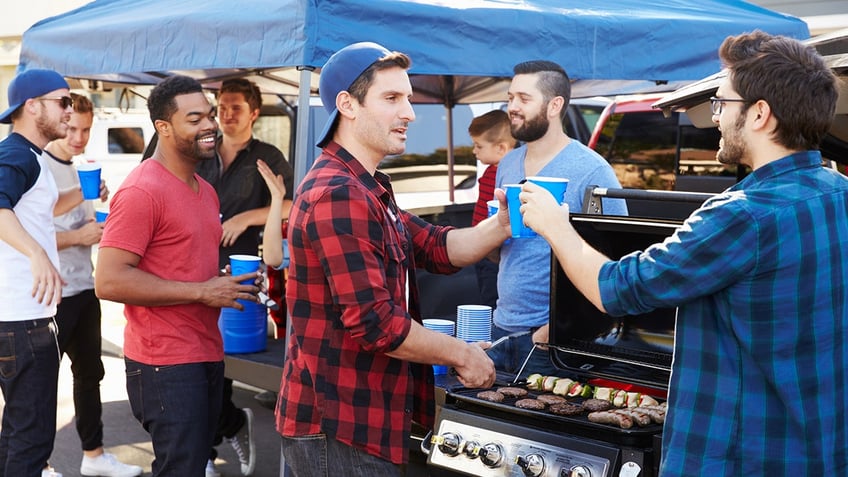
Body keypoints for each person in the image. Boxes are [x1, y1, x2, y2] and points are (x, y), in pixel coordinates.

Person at [519, 31, 847, 476]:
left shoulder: (741, 215)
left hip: (738, 457)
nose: (714, 117)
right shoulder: (838, 193)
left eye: (722, 103)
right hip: (817, 448)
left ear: (760, 114)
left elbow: (616, 289)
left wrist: (557, 228)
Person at [276, 41, 504, 476]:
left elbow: (437, 246)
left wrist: (503, 225)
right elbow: (376, 324)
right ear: (347, 105)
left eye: (409, 99)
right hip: (339, 426)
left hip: (360, 419)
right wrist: (462, 353)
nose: (410, 113)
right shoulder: (338, 193)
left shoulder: (365, 186)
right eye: (392, 98)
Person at [94, 75, 260, 477]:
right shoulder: (142, 191)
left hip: (205, 349)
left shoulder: (205, 189)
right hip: (163, 362)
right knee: (181, 468)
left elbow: (179, 264)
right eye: (194, 119)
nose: (208, 125)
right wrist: (203, 291)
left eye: (209, 115)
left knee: (195, 463)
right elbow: (109, 280)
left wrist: (218, 282)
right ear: (163, 128)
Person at [487, 60, 626, 379]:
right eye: (510, 98)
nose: (512, 107)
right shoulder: (507, 164)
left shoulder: (593, 170)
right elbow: (501, 254)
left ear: (555, 105)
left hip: (553, 342)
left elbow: (615, 265)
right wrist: (496, 231)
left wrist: (556, 329)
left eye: (523, 98)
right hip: (502, 330)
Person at [196, 78, 294, 477]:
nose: (226, 112)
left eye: (236, 106)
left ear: (254, 112)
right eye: (222, 104)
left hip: (243, 275)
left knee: (223, 363)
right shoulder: (201, 149)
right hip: (194, 270)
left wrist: (244, 218)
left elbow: (289, 203)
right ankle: (218, 436)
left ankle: (220, 433)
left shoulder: (267, 155)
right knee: (199, 364)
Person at [0, 68, 94, 477]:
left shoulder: (28, 157)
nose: (70, 113)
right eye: (63, 102)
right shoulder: (18, 153)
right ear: (31, 106)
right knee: (32, 440)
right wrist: (38, 253)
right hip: (23, 321)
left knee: (17, 434)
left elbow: (31, 209)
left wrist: (85, 195)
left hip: (20, 318)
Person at [44, 92, 143, 477]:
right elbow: (20, 237)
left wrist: (101, 211)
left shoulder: (80, 166)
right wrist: (79, 237)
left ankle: (94, 457)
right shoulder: (38, 167)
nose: (79, 136)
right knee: (39, 387)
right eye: (72, 128)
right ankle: (41, 464)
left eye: (86, 129)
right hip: (49, 295)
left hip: (86, 288)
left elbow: (86, 225)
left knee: (90, 376)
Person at [468, 109, 514, 309]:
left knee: (490, 299)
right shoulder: (491, 171)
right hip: (482, 246)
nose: (474, 151)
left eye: (479, 146)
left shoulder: (505, 176)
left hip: (493, 251)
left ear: (501, 148)